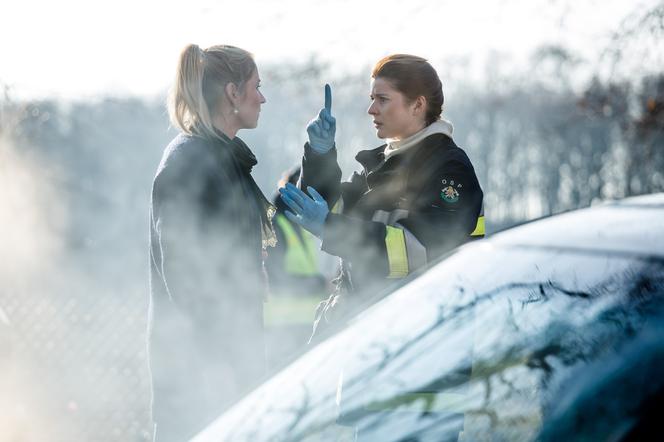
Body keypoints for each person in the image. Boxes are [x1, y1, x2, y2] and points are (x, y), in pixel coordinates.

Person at [279, 54, 484, 337]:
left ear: (418, 105)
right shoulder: (381, 163)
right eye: (371, 98)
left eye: (382, 99)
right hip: (369, 335)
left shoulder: (449, 169)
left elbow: (418, 251)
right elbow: (328, 209)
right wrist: (320, 155)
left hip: (420, 343)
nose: (371, 109)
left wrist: (331, 227)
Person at [148, 43, 274, 441]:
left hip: (229, 370)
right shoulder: (189, 161)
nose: (262, 97)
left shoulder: (221, 158)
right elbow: (185, 276)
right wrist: (217, 366)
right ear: (232, 93)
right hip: (200, 382)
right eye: (256, 86)